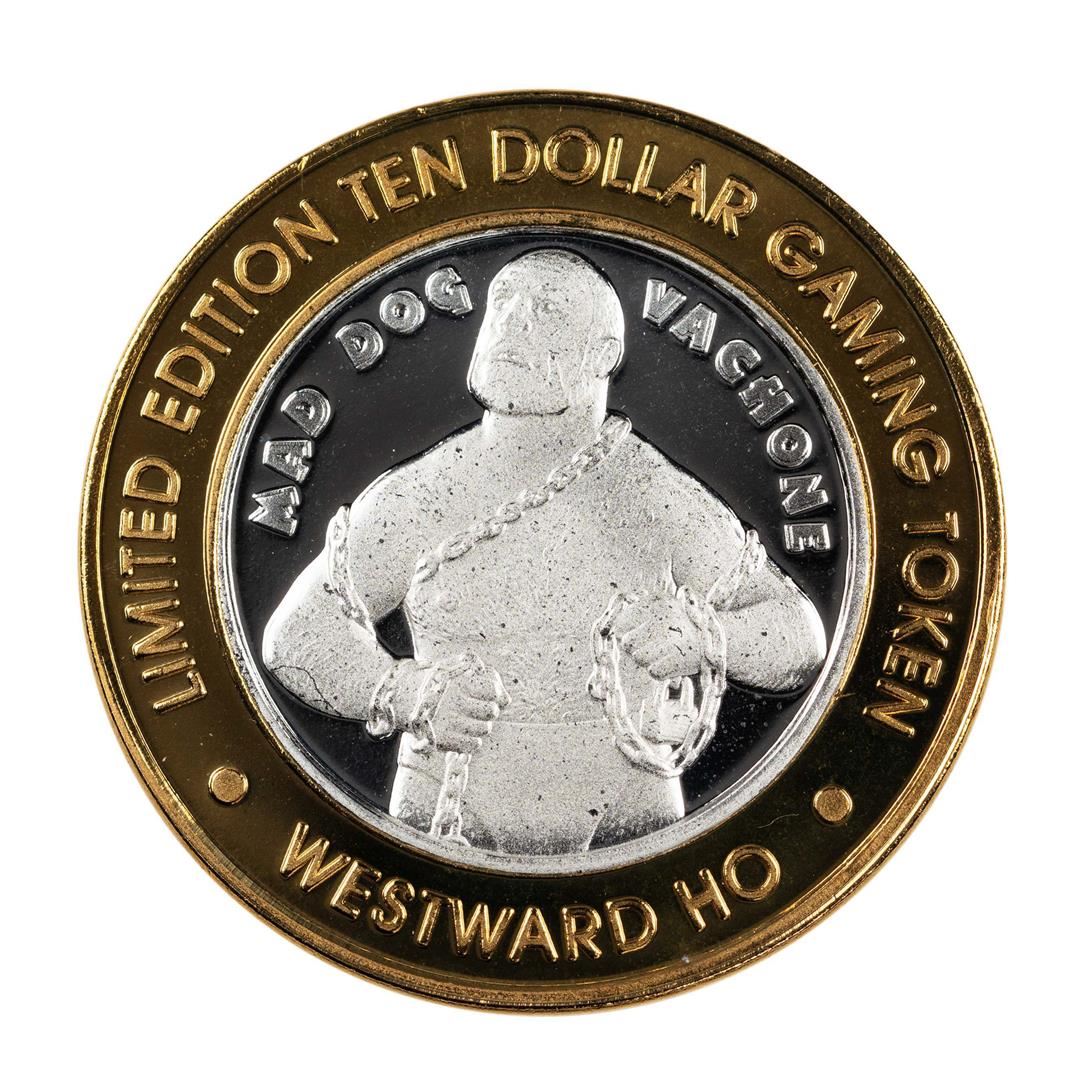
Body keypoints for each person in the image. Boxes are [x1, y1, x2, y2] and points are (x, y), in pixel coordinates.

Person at [263, 249, 826, 855]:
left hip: (632, 821)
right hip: (447, 812)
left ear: (603, 354)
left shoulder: (657, 498)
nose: (512, 323)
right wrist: (405, 693)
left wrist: (707, 636)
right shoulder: (420, 496)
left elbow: (799, 636)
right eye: (503, 302)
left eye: (548, 310)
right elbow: (296, 634)